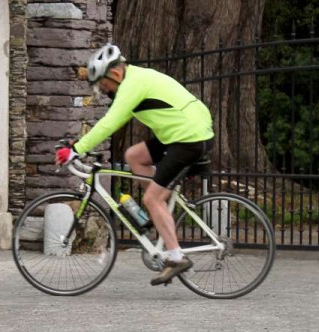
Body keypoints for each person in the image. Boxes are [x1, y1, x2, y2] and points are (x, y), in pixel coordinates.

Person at [56, 43, 215, 286]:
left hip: (188, 137)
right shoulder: (134, 79)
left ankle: (176, 257)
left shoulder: (132, 85)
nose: (104, 90)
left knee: (153, 198)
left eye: (105, 85)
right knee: (134, 156)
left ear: (116, 74)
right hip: (177, 133)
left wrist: (76, 150)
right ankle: (160, 209)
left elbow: (110, 123)